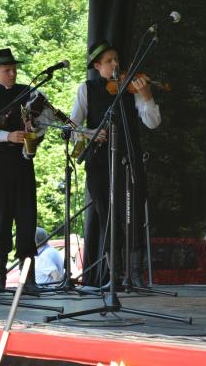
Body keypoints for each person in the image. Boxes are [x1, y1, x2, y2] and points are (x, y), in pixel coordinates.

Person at [70, 39, 161, 288]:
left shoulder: (133, 87)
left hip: (129, 159)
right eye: (109, 61)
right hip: (99, 163)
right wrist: (90, 133)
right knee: (107, 217)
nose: (114, 64)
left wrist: (147, 95)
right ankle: (116, 276)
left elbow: (153, 123)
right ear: (97, 65)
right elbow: (72, 125)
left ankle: (135, 274)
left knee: (131, 217)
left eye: (116, 59)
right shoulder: (86, 89)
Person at [0, 48, 54, 293]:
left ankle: (27, 279)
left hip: (23, 162)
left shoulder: (29, 92)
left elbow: (48, 117)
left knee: (27, 217)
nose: (12, 73)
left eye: (14, 69)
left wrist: (32, 132)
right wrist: (9, 135)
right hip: (0, 163)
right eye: (6, 70)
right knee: (0, 218)